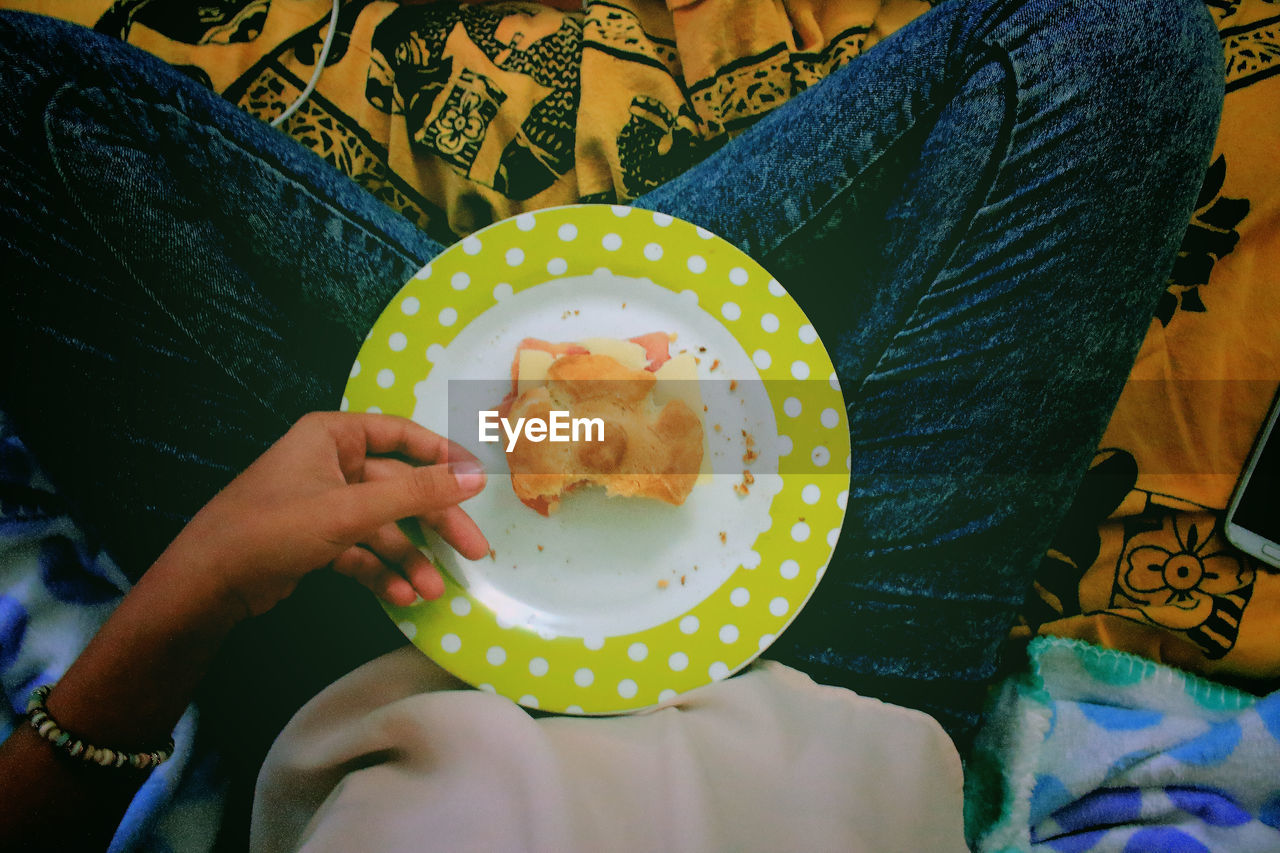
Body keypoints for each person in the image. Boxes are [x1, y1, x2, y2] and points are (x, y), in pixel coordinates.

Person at [0, 0, 1224, 845]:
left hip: (338, 662)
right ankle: (615, 350)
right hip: (854, 687)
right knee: (1119, 40)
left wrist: (200, 580)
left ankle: (580, 351)